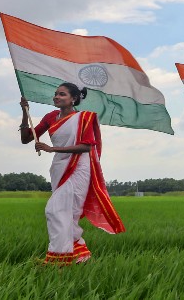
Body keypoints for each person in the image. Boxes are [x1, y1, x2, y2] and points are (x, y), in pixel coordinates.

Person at [20, 83, 125, 265]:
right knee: (66, 214)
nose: (57, 97)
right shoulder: (51, 117)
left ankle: (59, 258)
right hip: (59, 168)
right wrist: (25, 112)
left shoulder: (83, 118)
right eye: (56, 94)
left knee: (55, 210)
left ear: (73, 99)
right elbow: (26, 138)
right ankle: (79, 256)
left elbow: (86, 146)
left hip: (79, 168)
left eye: (62, 94)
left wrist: (53, 149)